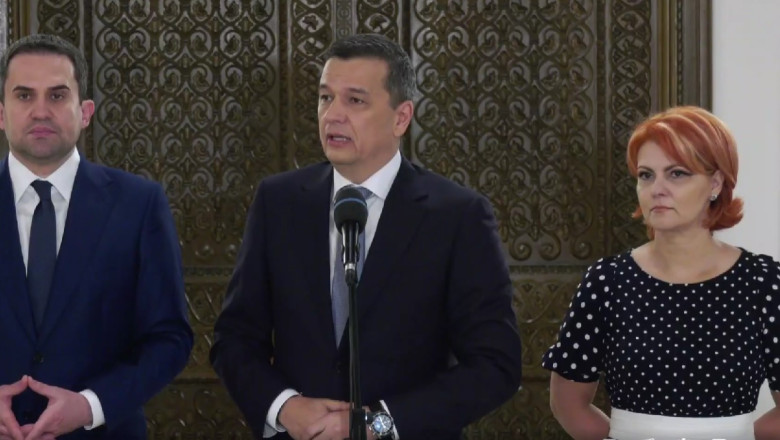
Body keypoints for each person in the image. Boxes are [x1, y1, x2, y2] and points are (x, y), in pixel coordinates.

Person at [210, 33, 523, 440]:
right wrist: (284, 407)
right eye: (325, 98)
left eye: (355, 100)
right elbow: (235, 338)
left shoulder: (457, 216)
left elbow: (495, 365)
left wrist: (378, 424)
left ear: (401, 117)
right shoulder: (279, 201)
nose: (332, 115)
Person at [543, 106, 780, 440]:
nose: (657, 188)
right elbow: (568, 404)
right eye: (646, 175)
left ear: (715, 183)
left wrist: (733, 434)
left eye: (677, 173)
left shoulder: (763, 282)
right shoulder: (607, 281)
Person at [0, 34, 193, 439]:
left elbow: (169, 339)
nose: (40, 111)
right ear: (1, 113)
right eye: (24, 95)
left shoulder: (139, 204)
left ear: (85, 112)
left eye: (57, 96)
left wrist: (90, 405)